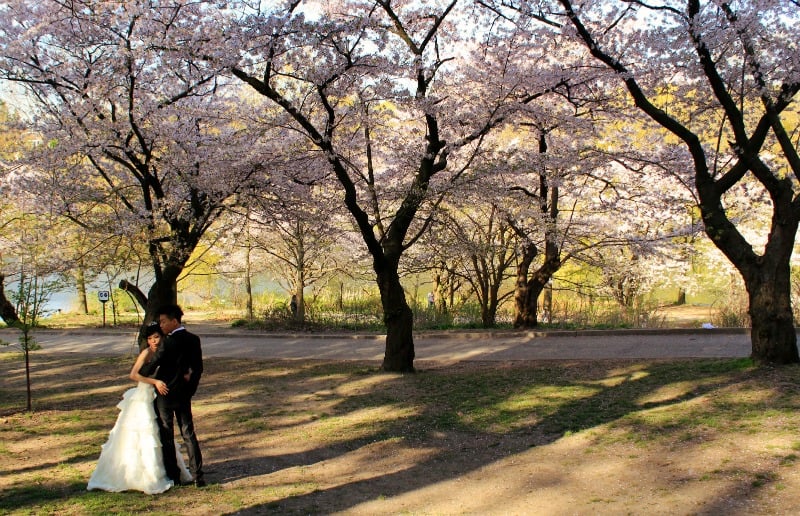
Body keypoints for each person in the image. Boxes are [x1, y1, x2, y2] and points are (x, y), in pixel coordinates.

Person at [87, 324, 191, 494]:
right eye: (150, 338)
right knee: (142, 432)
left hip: (160, 395)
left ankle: (166, 471)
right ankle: (135, 475)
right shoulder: (146, 353)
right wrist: (155, 382)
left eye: (156, 337)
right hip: (144, 394)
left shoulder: (166, 351)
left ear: (162, 336)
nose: (153, 341)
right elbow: (134, 374)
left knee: (159, 433)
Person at [139, 304, 205, 487]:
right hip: (184, 394)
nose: (161, 325)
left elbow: (154, 365)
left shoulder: (167, 342)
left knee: (167, 434)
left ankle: (174, 476)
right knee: (188, 433)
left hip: (165, 394)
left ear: (174, 321)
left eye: (163, 321)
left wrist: (141, 371)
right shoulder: (194, 339)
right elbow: (198, 369)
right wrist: (190, 389)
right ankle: (198, 475)